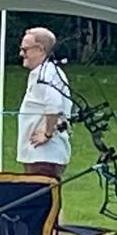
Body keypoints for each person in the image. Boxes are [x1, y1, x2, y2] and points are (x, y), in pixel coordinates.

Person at [16, 27, 72, 177]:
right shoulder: (42, 72)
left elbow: (54, 106)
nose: (21, 54)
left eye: (25, 49)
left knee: (41, 198)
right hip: (38, 155)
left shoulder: (47, 74)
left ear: (40, 50)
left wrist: (47, 134)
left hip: (44, 155)